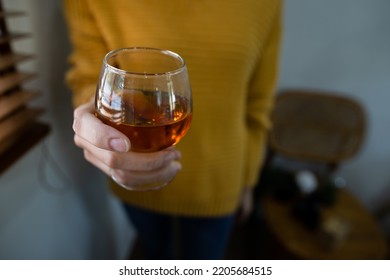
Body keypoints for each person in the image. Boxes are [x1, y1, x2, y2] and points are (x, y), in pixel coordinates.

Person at [63, 0, 283, 259]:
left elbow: (259, 103)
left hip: (218, 182)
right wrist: (94, 114)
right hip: (134, 176)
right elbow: (91, 79)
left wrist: (248, 181)